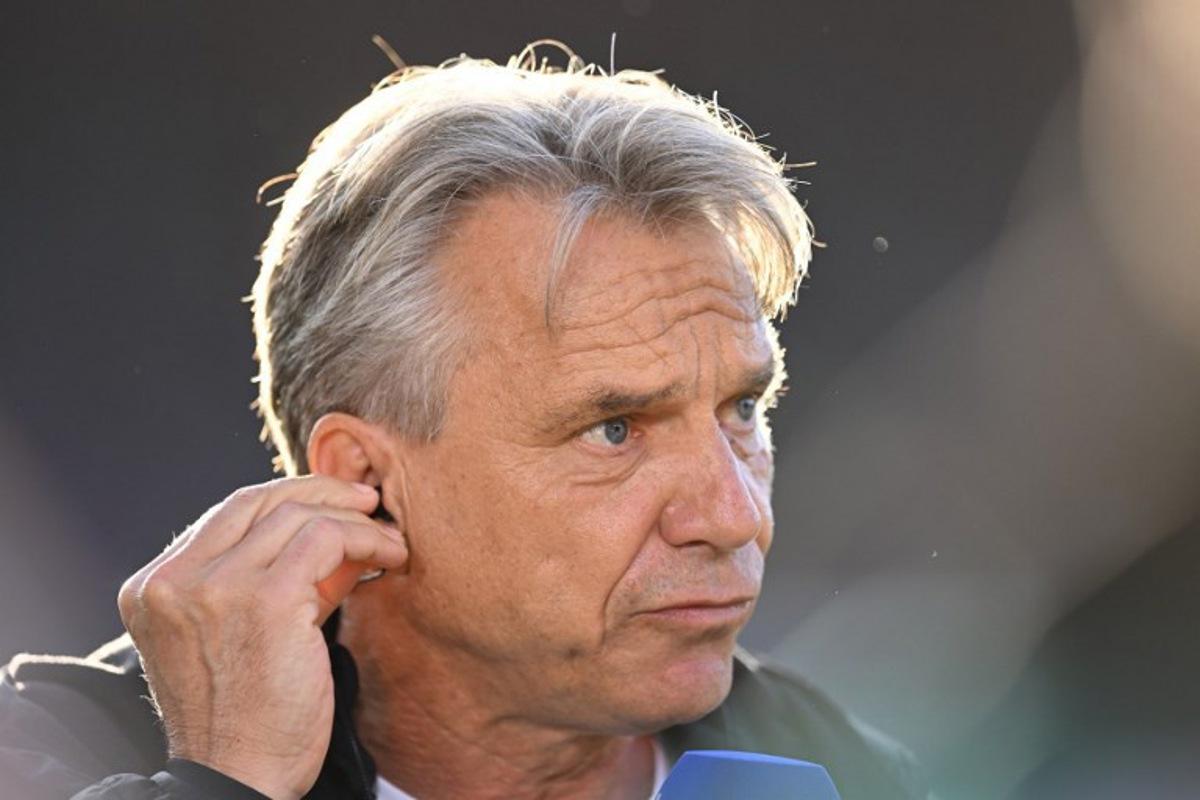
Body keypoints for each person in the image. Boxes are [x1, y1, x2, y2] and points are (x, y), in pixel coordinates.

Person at [0, 44, 929, 799]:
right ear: (367, 484)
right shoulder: (53, 761)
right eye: (615, 428)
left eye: (741, 411)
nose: (732, 517)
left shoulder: (864, 780)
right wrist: (222, 786)